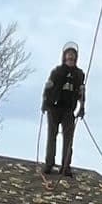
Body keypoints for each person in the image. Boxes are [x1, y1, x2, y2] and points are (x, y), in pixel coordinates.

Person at [41, 41, 85, 177]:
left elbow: (82, 92)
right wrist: (45, 102)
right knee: (51, 136)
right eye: (68, 54)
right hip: (54, 107)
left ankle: (65, 167)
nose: (70, 57)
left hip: (68, 110)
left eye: (73, 54)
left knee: (68, 139)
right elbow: (48, 86)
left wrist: (82, 107)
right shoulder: (57, 71)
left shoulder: (79, 74)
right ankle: (49, 164)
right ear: (64, 56)